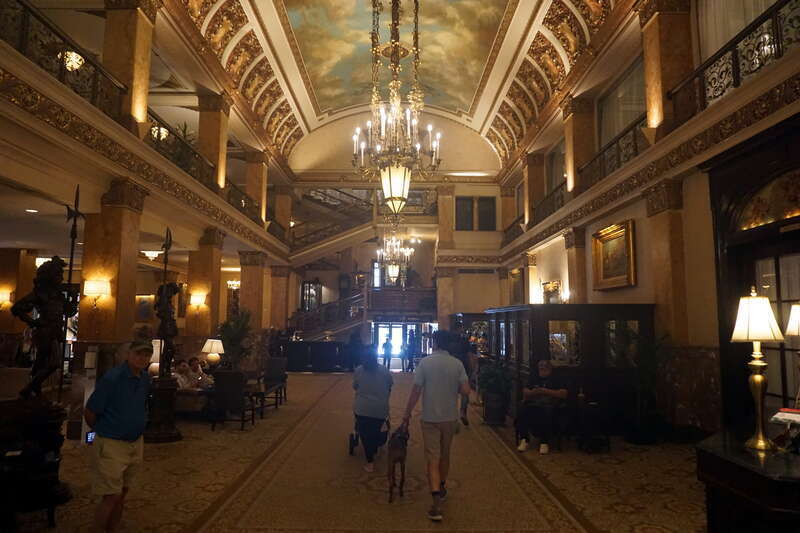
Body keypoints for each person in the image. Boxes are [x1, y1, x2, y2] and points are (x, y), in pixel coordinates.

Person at [84, 330, 153, 533]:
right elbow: (90, 412)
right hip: (112, 443)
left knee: (122, 492)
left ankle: (113, 528)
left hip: (135, 442)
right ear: (128, 355)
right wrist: (103, 433)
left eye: (146, 355)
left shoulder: (144, 378)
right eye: (138, 354)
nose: (143, 358)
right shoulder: (112, 379)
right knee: (111, 495)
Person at [401, 330, 470, 522]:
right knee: (445, 454)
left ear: (435, 343)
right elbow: (466, 390)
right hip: (450, 417)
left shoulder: (426, 363)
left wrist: (406, 414)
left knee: (433, 457)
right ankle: (442, 484)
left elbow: (416, 390)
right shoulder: (457, 364)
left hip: (430, 417)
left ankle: (436, 502)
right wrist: (452, 387)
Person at [516, 359, 568, 455]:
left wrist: (545, 391)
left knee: (546, 411)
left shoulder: (556, 378)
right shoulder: (534, 377)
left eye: (544, 366)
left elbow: (563, 394)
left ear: (550, 368)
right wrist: (533, 392)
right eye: (540, 366)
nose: (542, 367)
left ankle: (544, 442)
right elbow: (525, 390)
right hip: (534, 402)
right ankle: (524, 439)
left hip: (550, 405)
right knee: (522, 410)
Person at [353, 350, 393, 472]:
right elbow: (390, 386)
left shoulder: (359, 370)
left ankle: (370, 461)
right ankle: (377, 443)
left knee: (365, 433)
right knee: (378, 428)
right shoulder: (385, 371)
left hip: (362, 410)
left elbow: (355, 387)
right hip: (380, 410)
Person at [448, 327, 474, 426]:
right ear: (459, 330)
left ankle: (452, 415)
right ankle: (463, 412)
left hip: (451, 367)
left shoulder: (449, 342)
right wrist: (472, 369)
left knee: (451, 392)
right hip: (464, 366)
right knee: (465, 392)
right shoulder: (464, 341)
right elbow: (469, 355)